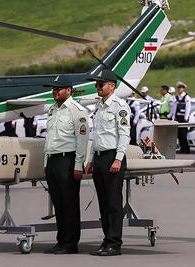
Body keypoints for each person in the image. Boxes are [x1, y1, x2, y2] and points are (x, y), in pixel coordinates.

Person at [84, 69, 131, 256]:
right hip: (99, 157)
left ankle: (114, 243)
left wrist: (118, 159)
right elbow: (94, 135)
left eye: (101, 84)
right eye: (97, 85)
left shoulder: (119, 106)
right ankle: (106, 240)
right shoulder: (99, 106)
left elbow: (124, 134)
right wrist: (90, 159)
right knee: (103, 203)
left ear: (112, 86)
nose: (97, 87)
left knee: (113, 202)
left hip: (113, 157)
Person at [43, 75, 89, 254]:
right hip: (53, 160)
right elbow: (50, 138)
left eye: (58, 89)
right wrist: (46, 161)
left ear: (68, 90)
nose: (55, 91)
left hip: (67, 160)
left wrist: (79, 165)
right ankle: (61, 240)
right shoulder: (52, 110)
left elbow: (82, 139)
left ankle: (71, 243)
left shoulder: (76, 110)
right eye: (53, 89)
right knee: (58, 203)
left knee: (69, 203)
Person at [169, 81, 191, 153]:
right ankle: (182, 148)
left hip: (183, 118)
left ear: (183, 88)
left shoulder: (186, 97)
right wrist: (171, 116)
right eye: (178, 87)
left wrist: (186, 117)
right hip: (177, 118)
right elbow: (174, 108)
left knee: (183, 135)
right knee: (179, 134)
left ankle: (186, 149)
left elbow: (188, 108)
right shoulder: (176, 97)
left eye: (181, 87)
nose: (179, 89)